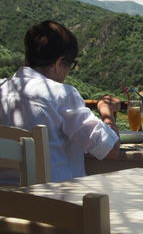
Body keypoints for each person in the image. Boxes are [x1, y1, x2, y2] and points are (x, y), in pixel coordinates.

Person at [0, 20, 120, 184]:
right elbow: (110, 149)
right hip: (56, 202)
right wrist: (107, 113)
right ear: (58, 63)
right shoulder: (61, 94)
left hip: (7, 204)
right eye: (70, 65)